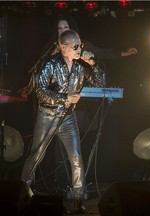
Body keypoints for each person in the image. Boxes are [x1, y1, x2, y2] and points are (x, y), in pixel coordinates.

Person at [20, 29, 105, 213]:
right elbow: (40, 92)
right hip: (47, 115)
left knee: (75, 157)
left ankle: (78, 197)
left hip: (68, 117)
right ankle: (22, 191)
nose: (79, 49)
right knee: (36, 155)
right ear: (63, 47)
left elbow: (100, 84)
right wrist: (65, 97)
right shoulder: (50, 63)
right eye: (76, 46)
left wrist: (94, 63)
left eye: (80, 45)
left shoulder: (81, 65)